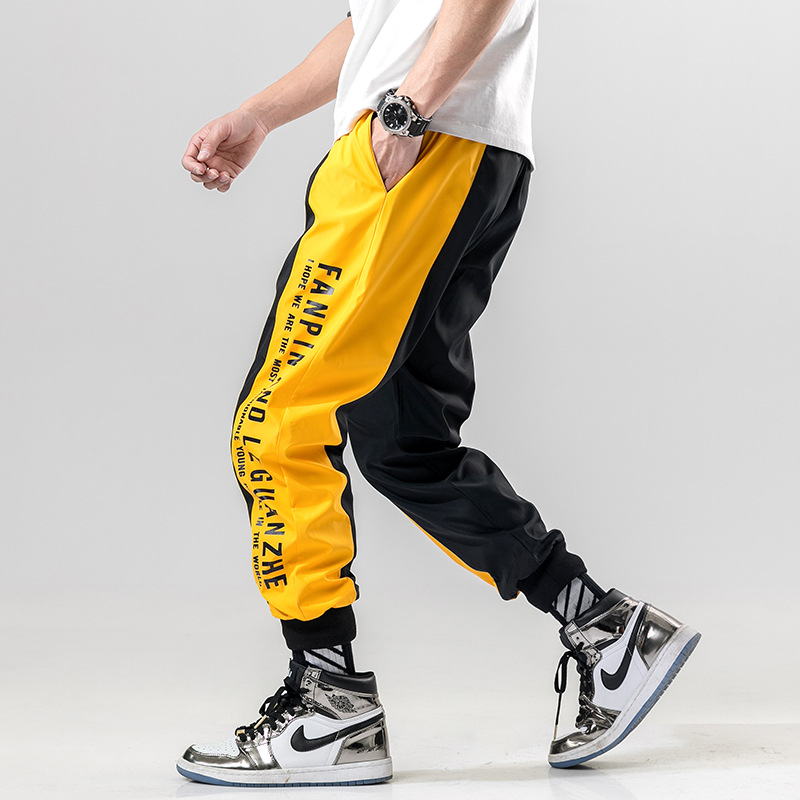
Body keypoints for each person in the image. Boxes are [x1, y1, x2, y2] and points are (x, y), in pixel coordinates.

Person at [177, 0, 699, 788]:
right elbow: (375, 19)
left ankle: (330, 706)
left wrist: (405, 110)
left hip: (421, 142)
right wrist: (261, 114)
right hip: (464, 151)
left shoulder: (412, 119)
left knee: (276, 421)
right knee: (403, 439)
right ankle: (606, 628)